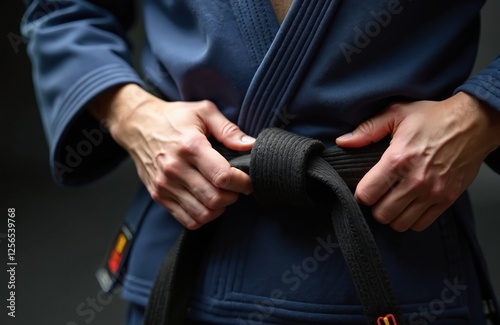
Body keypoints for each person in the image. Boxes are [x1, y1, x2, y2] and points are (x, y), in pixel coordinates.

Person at [22, 0, 500, 324]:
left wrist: (481, 115)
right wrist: (131, 114)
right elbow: (62, 9)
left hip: (398, 257)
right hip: (190, 250)